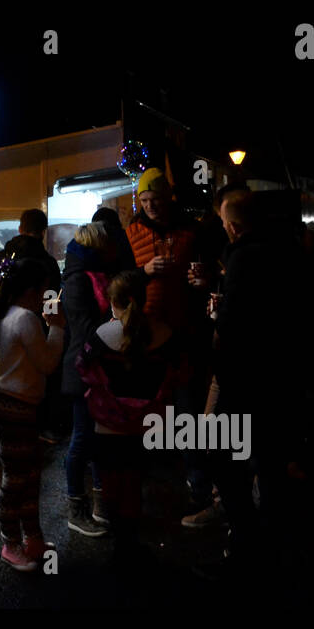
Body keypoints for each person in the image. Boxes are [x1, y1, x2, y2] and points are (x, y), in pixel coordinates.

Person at [203, 188, 303, 578]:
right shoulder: (291, 252)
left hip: (247, 379)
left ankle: (248, 545)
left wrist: (217, 326)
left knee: (224, 458)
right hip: (282, 380)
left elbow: (232, 325)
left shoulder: (245, 257)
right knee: (271, 463)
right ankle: (272, 547)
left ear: (233, 225)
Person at [126, 168, 214, 521]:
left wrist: (201, 278)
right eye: (145, 200)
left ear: (168, 198)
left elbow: (208, 272)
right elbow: (120, 279)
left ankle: (198, 484)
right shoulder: (131, 231)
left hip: (184, 334)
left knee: (187, 409)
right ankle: (145, 487)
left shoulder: (190, 230)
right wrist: (144, 272)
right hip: (145, 336)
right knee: (146, 410)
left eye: (156, 200)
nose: (150, 206)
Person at [77, 271, 181, 565]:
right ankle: (131, 544)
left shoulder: (103, 335)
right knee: (135, 484)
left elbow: (83, 368)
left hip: (108, 425)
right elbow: (178, 372)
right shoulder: (164, 333)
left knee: (112, 484)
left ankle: (119, 544)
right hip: (146, 424)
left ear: (114, 302)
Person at [0, 256, 65, 571]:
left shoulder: (7, 314)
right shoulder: (25, 319)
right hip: (16, 405)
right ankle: (11, 544)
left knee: (29, 474)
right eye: (45, 290)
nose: (47, 295)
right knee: (19, 478)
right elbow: (47, 363)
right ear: (32, 290)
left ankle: (32, 538)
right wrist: (57, 327)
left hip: (10, 402)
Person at [60, 221, 116, 536]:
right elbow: (84, 329)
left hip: (96, 367)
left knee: (95, 437)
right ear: (96, 245)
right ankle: (76, 509)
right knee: (82, 438)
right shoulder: (79, 279)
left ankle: (99, 504)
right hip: (83, 369)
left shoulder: (94, 275)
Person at [0, 208, 60, 304]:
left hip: (4, 317)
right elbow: (51, 302)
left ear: (20, 229)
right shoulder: (49, 264)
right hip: (36, 318)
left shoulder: (1, 258)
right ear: (43, 232)